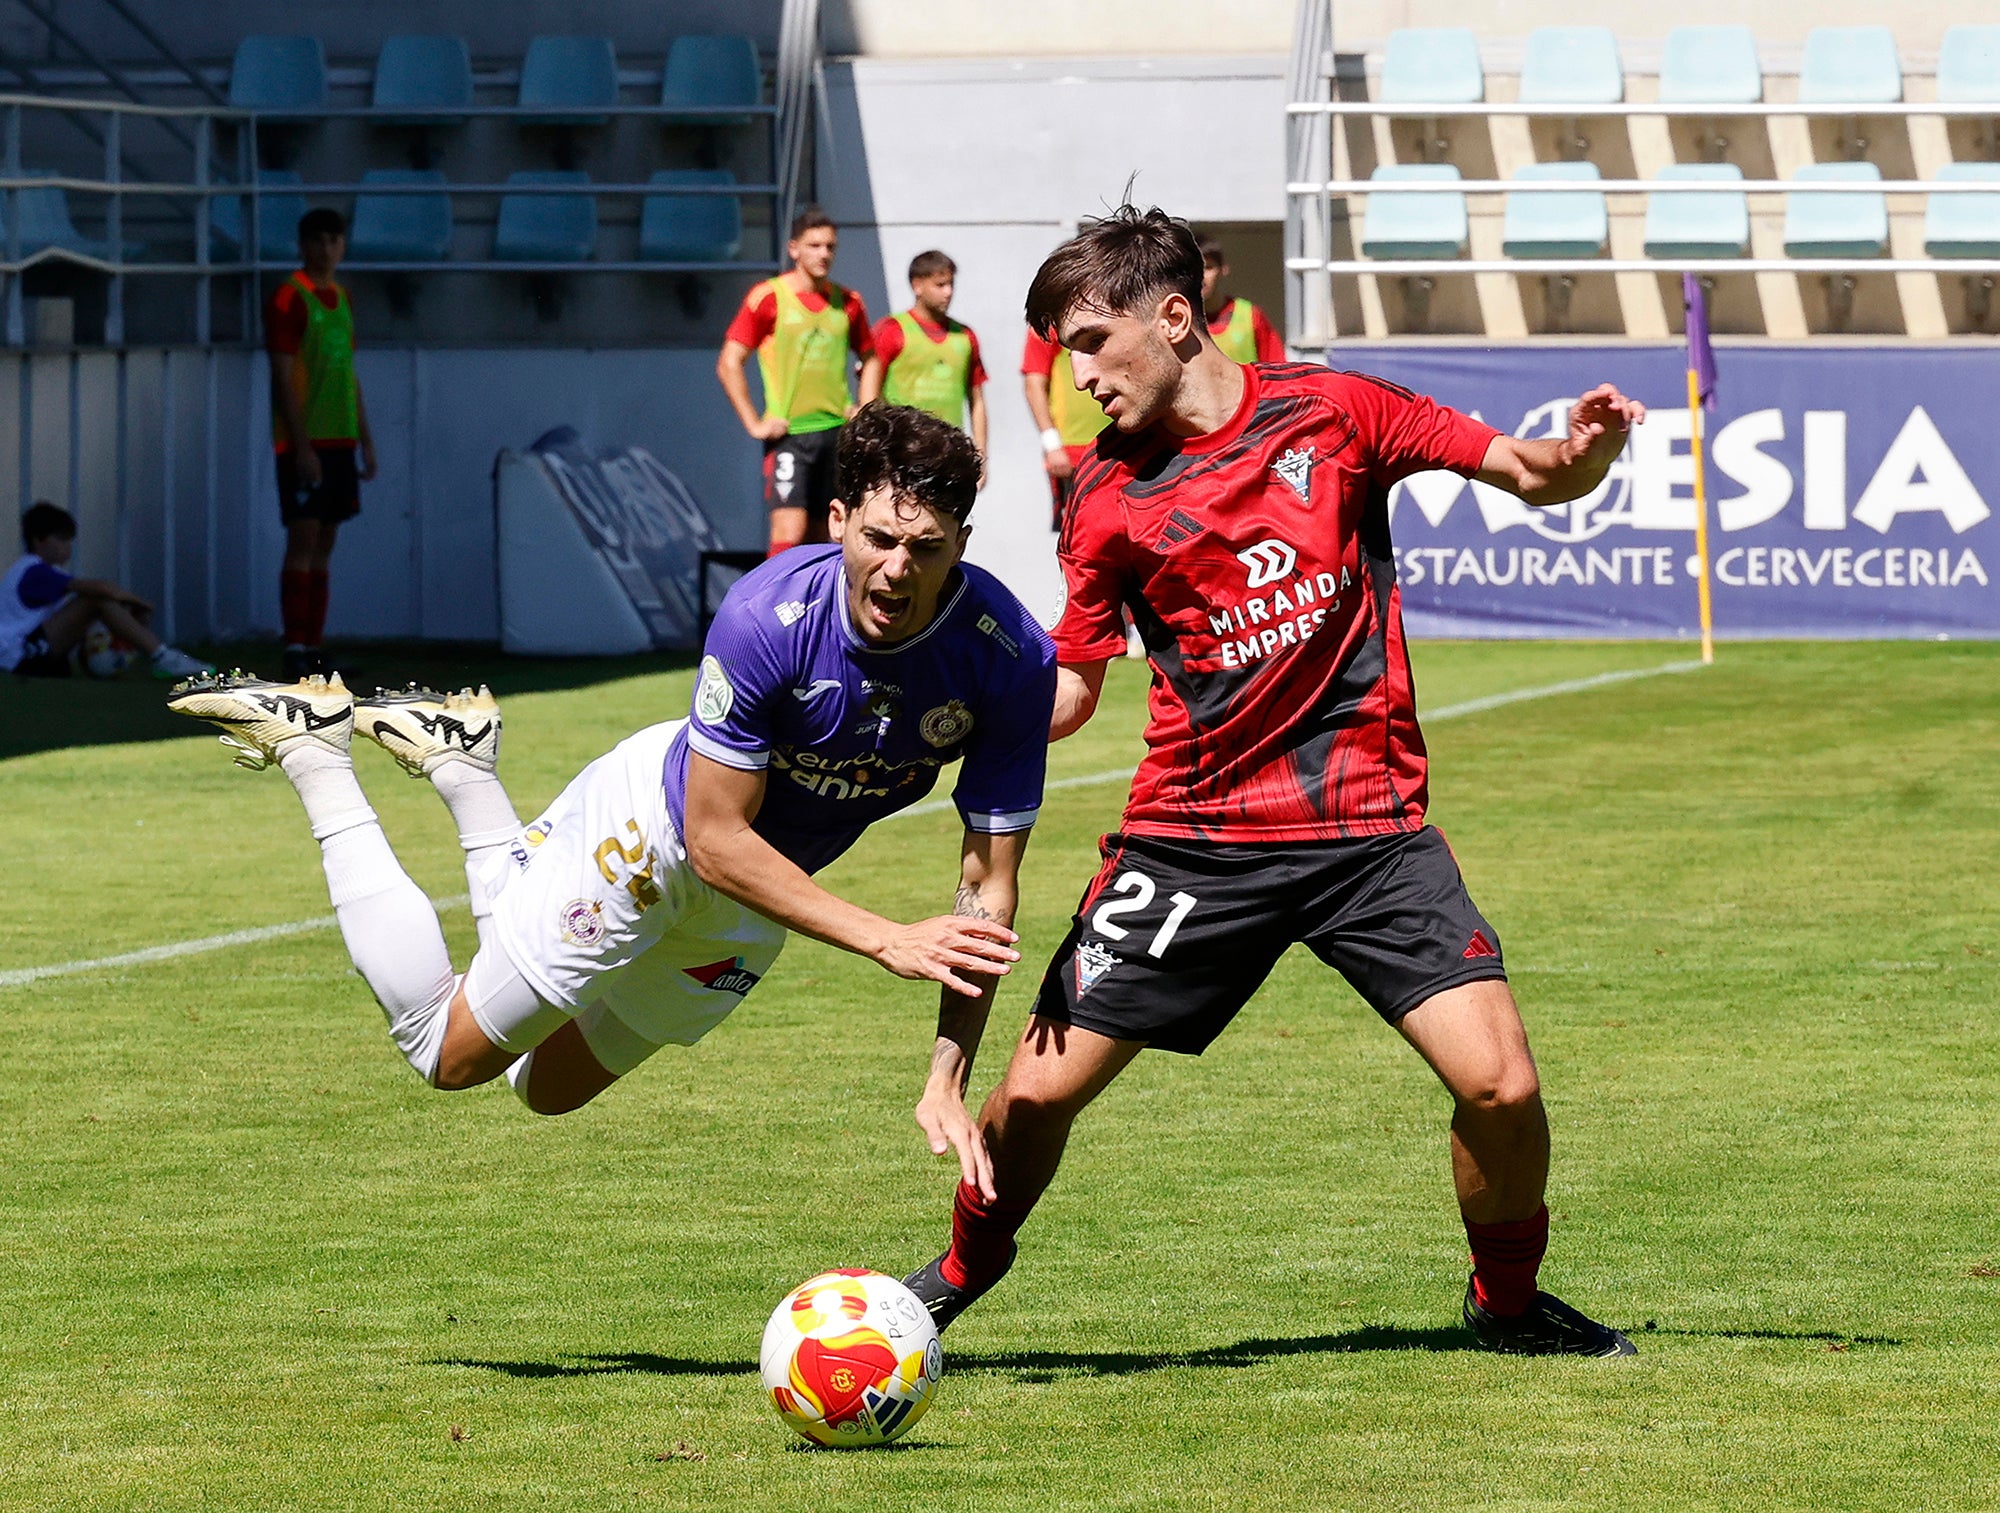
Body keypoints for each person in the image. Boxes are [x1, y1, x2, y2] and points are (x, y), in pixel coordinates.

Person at [905, 206, 1648, 1357]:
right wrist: (942, 712)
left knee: (1500, 1087)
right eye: (1061, 354)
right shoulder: (1103, 499)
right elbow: (1075, 689)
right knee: (1037, 1100)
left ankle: (1503, 1305)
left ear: (1171, 316)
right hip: (1192, 841)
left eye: (1091, 342)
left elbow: (1525, 469)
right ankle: (948, 1280)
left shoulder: (1335, 413)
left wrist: (1582, 454)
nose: (1077, 377)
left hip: (1367, 834)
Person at [168, 405, 1055, 1175]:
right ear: (836, 522)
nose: (897, 568)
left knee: (543, 1087)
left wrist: (946, 1073)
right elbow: (713, 838)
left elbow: (988, 889)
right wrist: (882, 936)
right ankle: (316, 753)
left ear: (961, 547)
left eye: (925, 548)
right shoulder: (767, 616)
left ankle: (466, 769)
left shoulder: (1007, 658)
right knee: (451, 1053)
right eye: (879, 539)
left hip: (759, 902)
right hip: (656, 839)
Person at [718, 207, 879, 554]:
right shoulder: (769, 297)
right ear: (794, 248)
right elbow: (730, 362)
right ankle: (774, 606)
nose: (824, 254)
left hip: (836, 433)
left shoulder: (848, 302)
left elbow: (870, 356)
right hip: (791, 435)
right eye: (814, 245)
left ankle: (818, 608)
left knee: (829, 533)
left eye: (830, 247)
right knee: (790, 529)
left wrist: (864, 409)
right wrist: (754, 422)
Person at [266, 207, 378, 682]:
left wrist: (366, 441)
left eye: (336, 240)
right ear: (304, 245)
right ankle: (294, 647)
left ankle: (314, 647)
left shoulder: (343, 298)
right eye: (320, 240)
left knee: (326, 540)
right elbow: (283, 376)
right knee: (304, 536)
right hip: (305, 442)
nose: (328, 249)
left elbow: (348, 375)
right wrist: (301, 444)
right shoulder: (290, 298)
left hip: (340, 441)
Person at [1, 502, 209, 678]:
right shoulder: (34, 571)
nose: (67, 547)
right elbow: (99, 588)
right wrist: (139, 603)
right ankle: (164, 657)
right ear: (38, 540)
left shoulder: (35, 570)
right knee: (94, 601)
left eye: (69, 541)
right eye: (61, 539)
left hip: (27, 651)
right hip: (19, 657)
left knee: (95, 608)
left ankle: (137, 655)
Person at [860, 250, 988, 471]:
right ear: (917, 285)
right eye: (940, 285)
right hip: (901, 453)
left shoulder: (965, 337)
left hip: (949, 452)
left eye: (950, 285)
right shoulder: (891, 330)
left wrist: (981, 457)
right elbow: (869, 393)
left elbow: (977, 401)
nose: (948, 292)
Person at [1021, 324, 1109, 531]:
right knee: (1078, 534)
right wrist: (1052, 445)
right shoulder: (1049, 323)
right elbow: (1034, 385)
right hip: (1072, 454)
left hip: (1123, 448)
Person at [1196, 232, 1285, 364]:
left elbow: (1277, 369)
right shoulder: (1178, 321)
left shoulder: (1250, 316)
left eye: (1208, 268)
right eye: (1194, 268)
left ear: (1223, 270)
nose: (1201, 277)